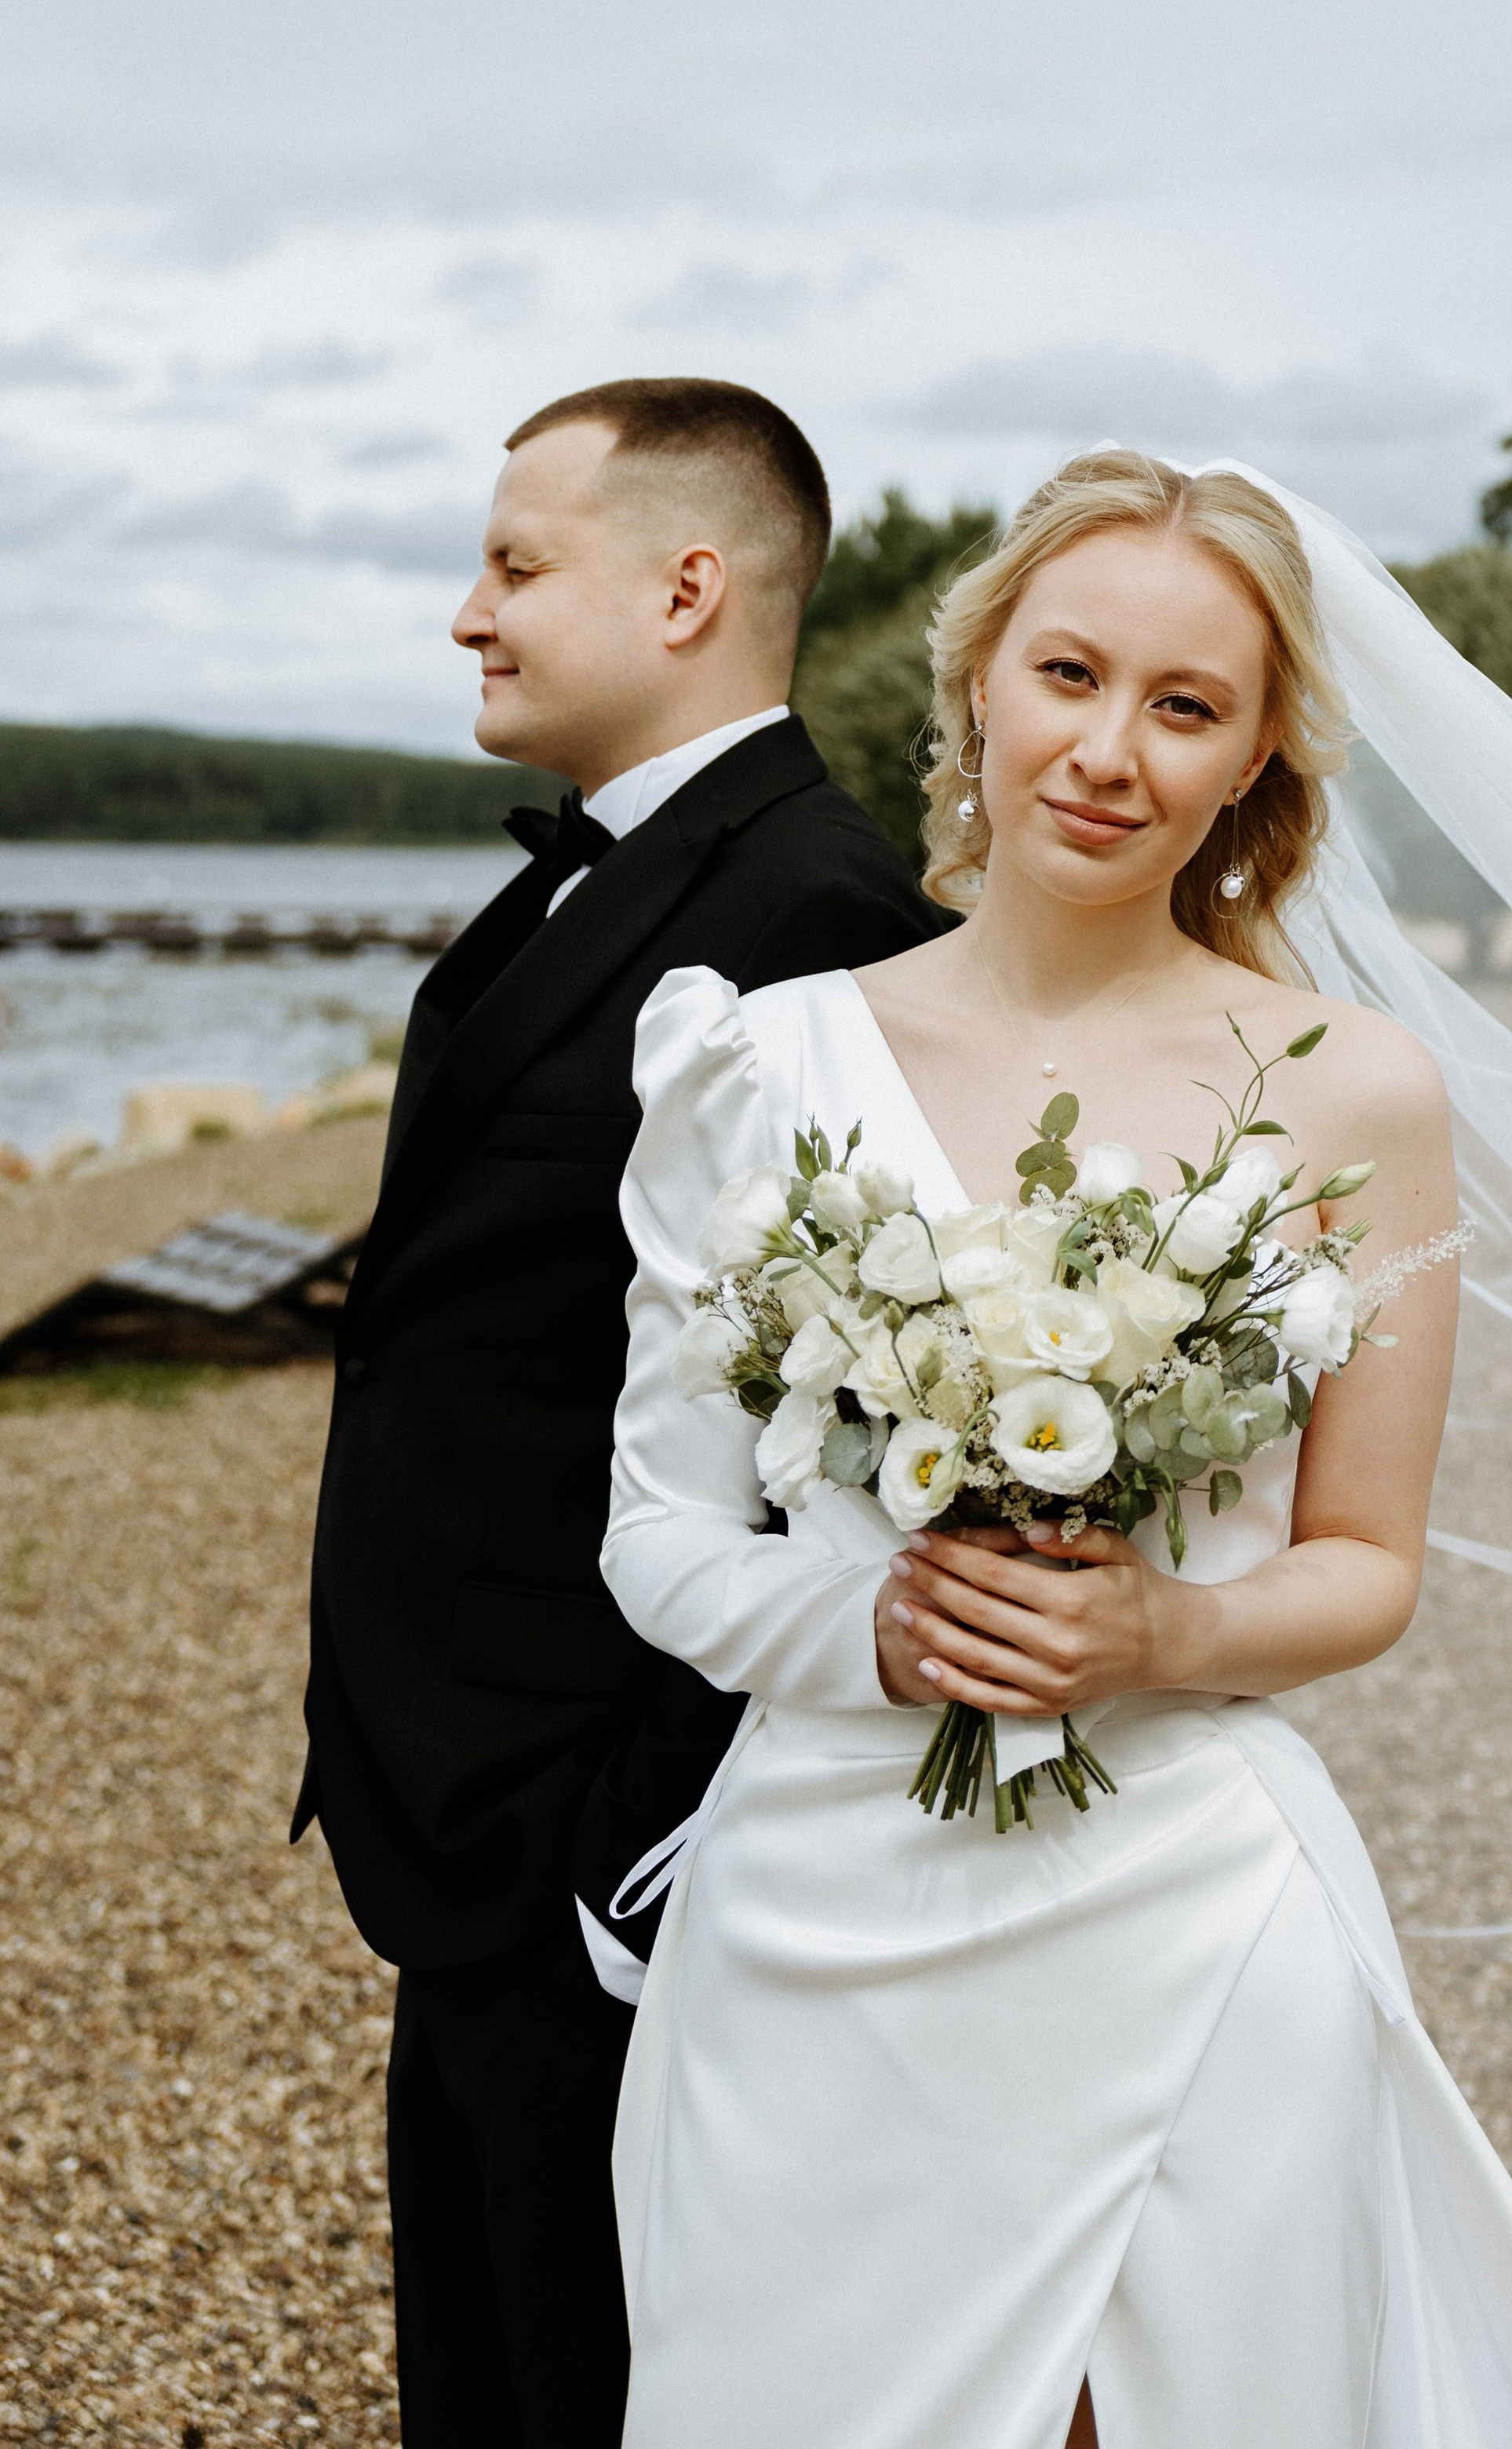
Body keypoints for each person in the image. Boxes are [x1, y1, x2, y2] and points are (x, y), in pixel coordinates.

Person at [599, 452, 1512, 2447]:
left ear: (1257, 761)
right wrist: (881, 1633)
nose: (1106, 752)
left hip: (1188, 1907)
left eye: (1183, 708)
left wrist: (1153, 1638)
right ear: (978, 683)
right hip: (818, 1914)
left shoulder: (1353, 1090)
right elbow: (657, 1541)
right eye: (1069, 674)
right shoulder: (756, 1062)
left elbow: (1364, 1564)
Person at [291, 378, 939, 2449]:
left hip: (604, 1855)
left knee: (609, 2392)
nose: (466, 615)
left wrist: (636, 1846)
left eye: (512, 564)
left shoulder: (817, 911)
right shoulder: (582, 889)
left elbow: (855, 1439)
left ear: (684, 587)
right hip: (451, 1809)